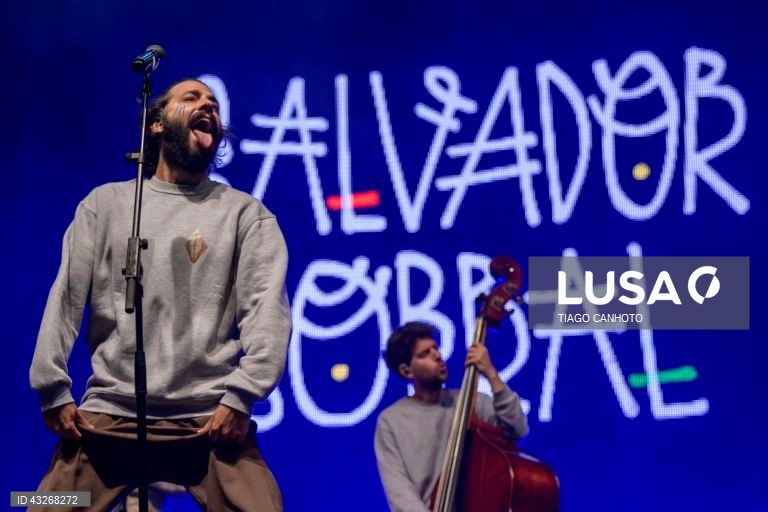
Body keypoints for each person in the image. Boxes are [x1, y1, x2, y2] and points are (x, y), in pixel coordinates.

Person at [29, 78, 291, 512]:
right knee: (45, 503)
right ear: (156, 124)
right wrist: (52, 387)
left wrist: (241, 397)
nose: (208, 106)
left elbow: (267, 313)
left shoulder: (246, 214)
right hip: (111, 411)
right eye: (192, 99)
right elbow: (66, 298)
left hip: (210, 415)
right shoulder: (106, 205)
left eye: (214, 104)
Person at [374, 321, 528, 512]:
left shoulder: (473, 403)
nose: (437, 356)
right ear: (407, 371)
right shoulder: (391, 421)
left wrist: (490, 373)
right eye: (425, 354)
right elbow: (400, 492)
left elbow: (518, 430)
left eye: (435, 349)